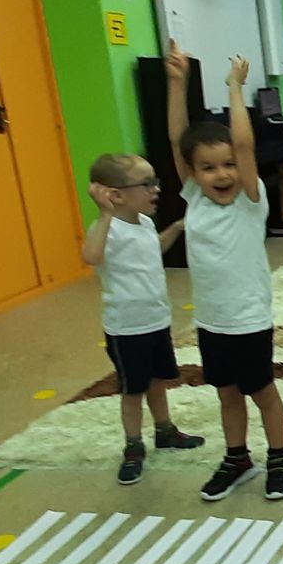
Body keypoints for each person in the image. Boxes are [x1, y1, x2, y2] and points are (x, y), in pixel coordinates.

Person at [165, 43, 283, 502]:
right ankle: (237, 458)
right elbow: (177, 140)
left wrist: (235, 89)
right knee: (226, 393)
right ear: (193, 173)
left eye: (228, 166)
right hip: (212, 321)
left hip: (249, 320)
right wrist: (177, 83)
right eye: (207, 168)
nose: (221, 175)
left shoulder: (249, 200)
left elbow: (243, 145)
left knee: (262, 391)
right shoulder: (194, 198)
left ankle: (279, 456)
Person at [82, 152, 205, 485]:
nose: (156, 189)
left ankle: (165, 430)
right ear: (116, 194)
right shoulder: (107, 229)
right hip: (126, 328)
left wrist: (176, 228)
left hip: (156, 321)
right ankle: (133, 446)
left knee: (158, 381)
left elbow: (152, 249)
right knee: (133, 390)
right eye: (146, 184)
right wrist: (104, 213)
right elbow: (91, 256)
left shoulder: (145, 223)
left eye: (155, 182)